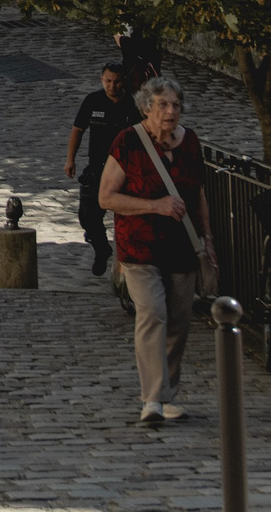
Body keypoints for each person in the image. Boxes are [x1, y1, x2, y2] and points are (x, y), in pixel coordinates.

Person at [99, 77, 215, 426]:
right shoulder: (128, 142)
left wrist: (208, 241)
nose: (170, 111)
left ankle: (166, 395)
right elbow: (106, 197)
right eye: (163, 104)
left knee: (179, 321)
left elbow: (198, 195)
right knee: (152, 313)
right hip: (140, 246)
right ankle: (152, 400)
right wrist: (155, 205)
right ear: (147, 107)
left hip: (182, 247)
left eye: (176, 105)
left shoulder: (190, 142)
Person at [63, 62, 140, 277]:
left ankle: (128, 263)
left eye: (116, 82)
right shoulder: (93, 101)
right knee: (88, 216)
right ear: (101, 80)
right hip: (98, 166)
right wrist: (70, 159)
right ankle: (101, 248)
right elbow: (78, 129)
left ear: (123, 81)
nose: (112, 86)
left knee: (129, 215)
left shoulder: (134, 103)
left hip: (126, 169)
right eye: (108, 81)